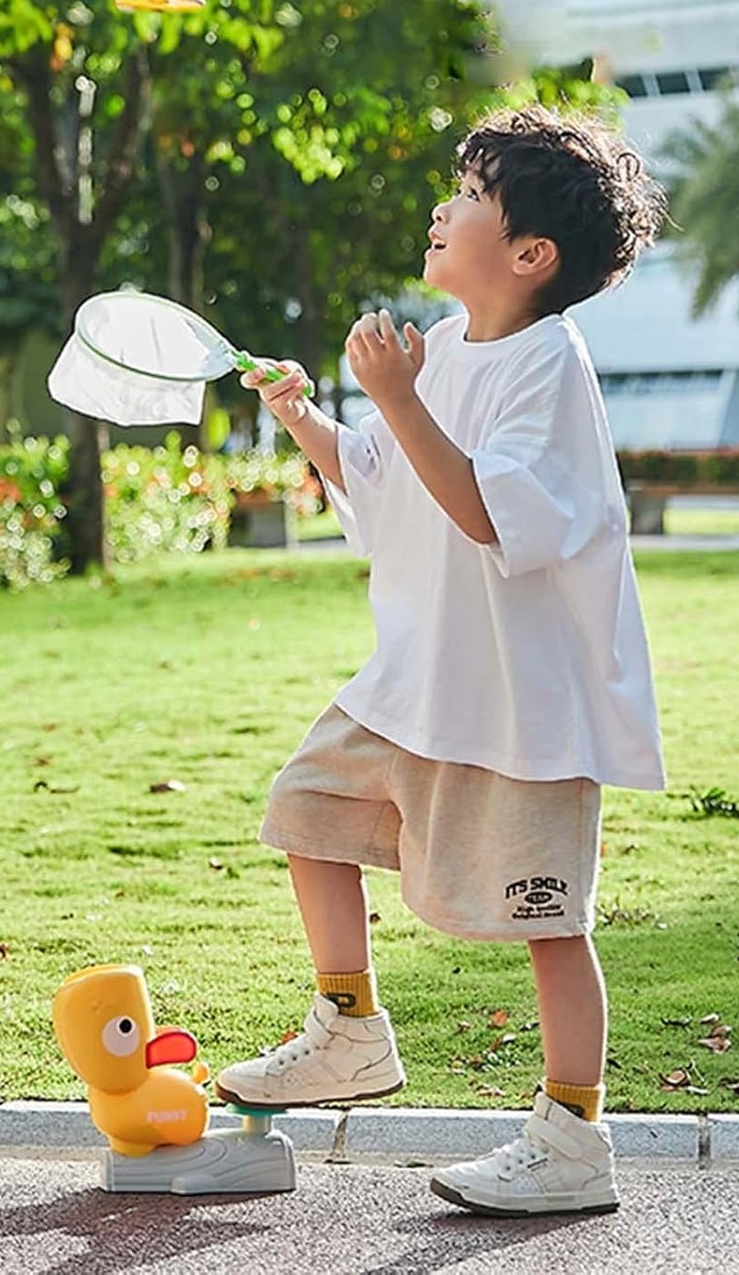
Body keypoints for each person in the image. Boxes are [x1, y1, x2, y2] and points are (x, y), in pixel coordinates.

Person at [216, 104, 668, 1217]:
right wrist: (304, 416)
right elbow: (383, 482)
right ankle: (349, 1028)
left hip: (521, 711)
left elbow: (480, 510)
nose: (438, 206)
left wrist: (395, 397)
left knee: (547, 920)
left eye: (466, 194)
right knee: (304, 814)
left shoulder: (544, 367)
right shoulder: (447, 345)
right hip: (413, 684)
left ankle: (573, 1133)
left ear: (528, 254)